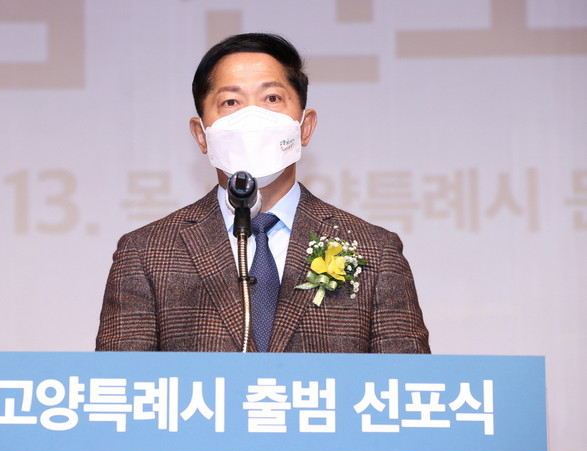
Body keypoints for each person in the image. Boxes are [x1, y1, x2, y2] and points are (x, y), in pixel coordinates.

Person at [96, 33, 430, 353]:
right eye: (231, 101)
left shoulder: (375, 251)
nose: (252, 117)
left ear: (305, 127)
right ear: (201, 135)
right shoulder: (146, 253)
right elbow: (119, 383)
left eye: (271, 98)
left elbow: (405, 384)